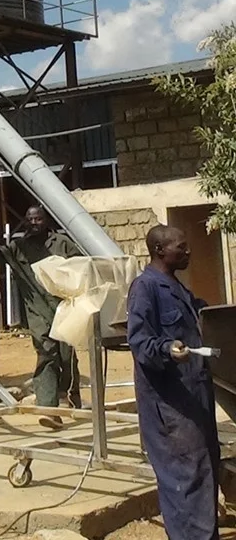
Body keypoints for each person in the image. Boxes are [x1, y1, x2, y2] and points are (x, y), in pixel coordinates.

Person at [127, 224, 220, 540]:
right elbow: (140, 342)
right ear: (160, 250)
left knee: (204, 472)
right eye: (182, 248)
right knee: (185, 480)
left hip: (193, 398)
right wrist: (167, 349)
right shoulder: (145, 288)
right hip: (169, 407)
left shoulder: (177, 288)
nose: (188, 252)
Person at [0, 205, 81, 429]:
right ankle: (49, 410)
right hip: (37, 312)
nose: (34, 223)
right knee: (47, 353)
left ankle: (70, 396)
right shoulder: (19, 247)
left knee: (67, 356)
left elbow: (81, 267)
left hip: (64, 308)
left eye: (38, 219)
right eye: (30, 219)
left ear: (46, 220)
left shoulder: (62, 244)